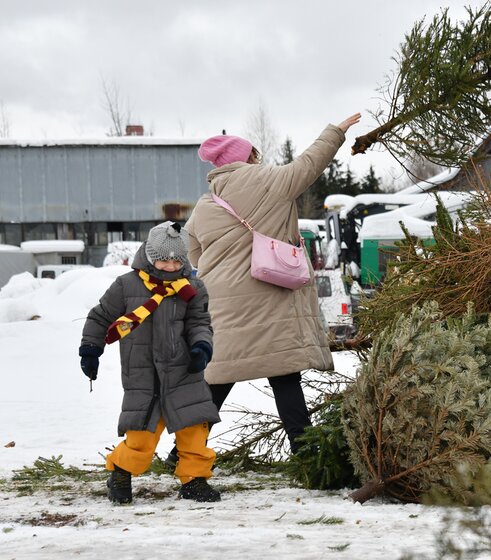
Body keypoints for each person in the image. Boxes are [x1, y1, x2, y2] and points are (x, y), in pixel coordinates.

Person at [180, 113, 361, 458]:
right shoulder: (271, 181)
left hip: (223, 305)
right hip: (270, 298)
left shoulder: (205, 205)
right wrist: (336, 132)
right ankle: (305, 455)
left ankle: (182, 454)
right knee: (284, 377)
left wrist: (224, 265)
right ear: (246, 157)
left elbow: (193, 253)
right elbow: (310, 164)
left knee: (218, 381)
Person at [79, 221, 221, 504]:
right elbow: (100, 317)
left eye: (176, 261)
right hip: (142, 375)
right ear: (149, 255)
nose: (170, 266)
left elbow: (199, 323)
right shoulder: (126, 285)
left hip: (184, 372)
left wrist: (201, 347)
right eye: (163, 260)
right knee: (141, 436)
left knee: (194, 430)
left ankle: (194, 480)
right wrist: (90, 349)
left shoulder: (192, 287)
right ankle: (120, 472)